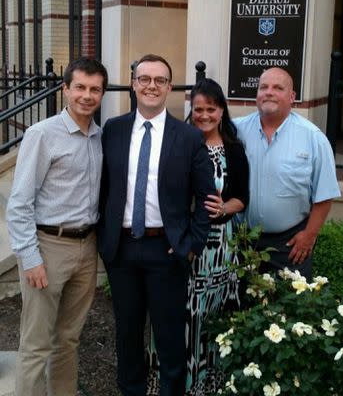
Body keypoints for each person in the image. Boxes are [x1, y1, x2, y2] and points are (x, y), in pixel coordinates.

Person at [97, 54, 215, 396]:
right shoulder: (114, 130)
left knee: (169, 336)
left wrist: (192, 245)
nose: (151, 86)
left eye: (159, 80)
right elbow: (102, 187)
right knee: (128, 333)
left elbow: (207, 199)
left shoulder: (188, 137)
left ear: (170, 87)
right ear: (134, 84)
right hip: (121, 250)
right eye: (144, 79)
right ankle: (131, 390)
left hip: (167, 248)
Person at [6, 57, 108, 396]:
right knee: (36, 342)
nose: (86, 95)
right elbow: (19, 202)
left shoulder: (99, 136)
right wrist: (29, 257)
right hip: (48, 247)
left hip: (86, 247)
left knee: (68, 338)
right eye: (79, 87)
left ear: (102, 93)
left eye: (95, 89)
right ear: (65, 89)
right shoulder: (42, 135)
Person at [234, 67, 341, 279]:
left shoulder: (313, 138)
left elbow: (324, 194)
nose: (269, 92)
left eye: (278, 87)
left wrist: (309, 236)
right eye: (263, 87)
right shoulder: (235, 131)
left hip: (290, 245)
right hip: (242, 242)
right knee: (241, 309)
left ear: (292, 97)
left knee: (290, 308)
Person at [187, 78, 249, 395]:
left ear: (222, 110)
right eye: (198, 109)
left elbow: (242, 197)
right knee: (185, 315)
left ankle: (211, 384)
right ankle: (181, 382)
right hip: (186, 245)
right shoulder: (181, 142)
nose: (204, 115)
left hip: (221, 247)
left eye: (211, 109)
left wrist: (224, 207)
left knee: (215, 315)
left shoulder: (233, 150)